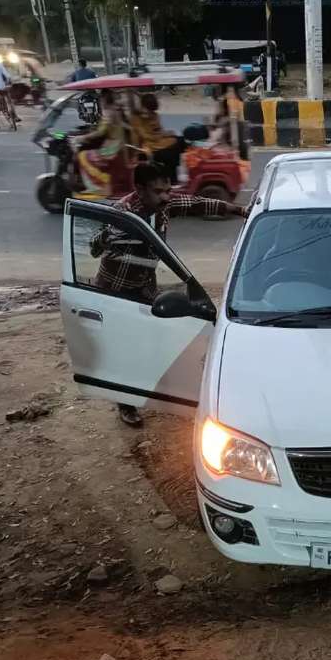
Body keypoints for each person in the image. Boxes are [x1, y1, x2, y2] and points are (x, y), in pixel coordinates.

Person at [90, 162, 248, 426]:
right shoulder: (121, 214)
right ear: (139, 189)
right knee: (124, 350)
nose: (165, 197)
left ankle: (155, 391)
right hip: (114, 292)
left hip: (145, 288)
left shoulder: (165, 206)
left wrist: (240, 210)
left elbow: (199, 203)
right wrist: (109, 237)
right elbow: (94, 247)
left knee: (150, 343)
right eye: (158, 191)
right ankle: (126, 404)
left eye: (167, 190)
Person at [72, 89, 133, 197]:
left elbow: (101, 132)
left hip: (111, 148)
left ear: (104, 99)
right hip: (120, 146)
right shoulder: (116, 111)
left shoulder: (108, 112)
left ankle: (95, 186)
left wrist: (83, 137)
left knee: (83, 156)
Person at [130, 93, 182, 182]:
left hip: (158, 141)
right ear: (143, 106)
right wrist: (159, 134)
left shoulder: (154, 115)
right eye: (149, 110)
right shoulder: (137, 118)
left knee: (179, 140)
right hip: (147, 146)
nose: (151, 112)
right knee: (171, 152)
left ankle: (173, 175)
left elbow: (159, 130)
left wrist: (166, 133)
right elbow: (145, 135)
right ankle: (172, 178)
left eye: (152, 110)